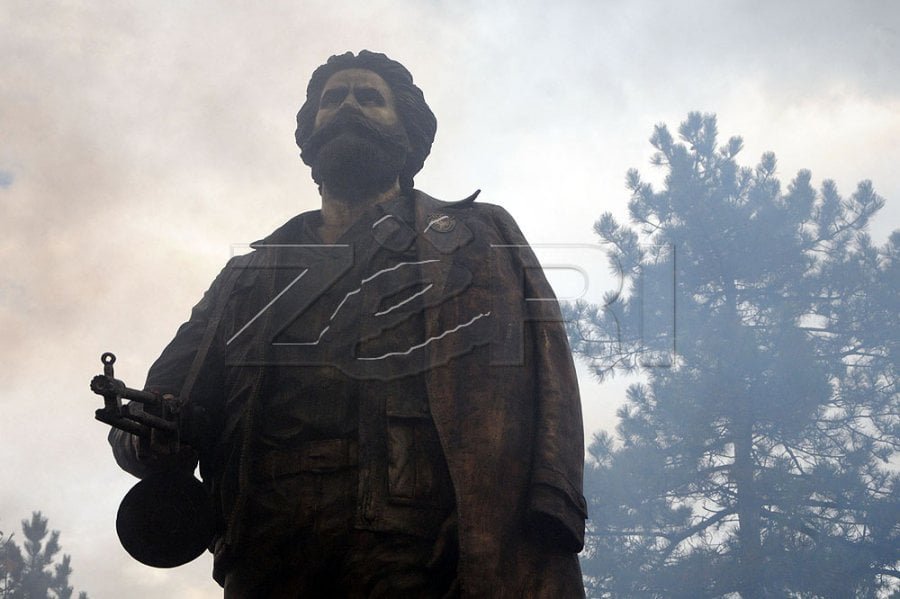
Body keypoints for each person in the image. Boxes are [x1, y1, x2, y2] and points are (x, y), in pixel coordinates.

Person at [110, 50, 587, 598]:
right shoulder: (248, 277)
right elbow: (155, 409)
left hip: (420, 543)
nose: (347, 108)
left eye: (368, 98)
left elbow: (550, 370)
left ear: (407, 135)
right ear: (309, 139)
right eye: (332, 100)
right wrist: (149, 440)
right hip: (267, 545)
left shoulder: (479, 237)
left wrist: (552, 504)